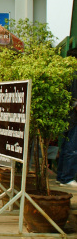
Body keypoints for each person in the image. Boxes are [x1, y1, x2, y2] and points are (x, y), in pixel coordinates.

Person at [56, 47, 77, 187]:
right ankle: (67, 177)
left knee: (66, 147)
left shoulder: (66, 74)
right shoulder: (74, 75)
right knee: (72, 147)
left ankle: (62, 177)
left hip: (67, 117)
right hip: (74, 117)